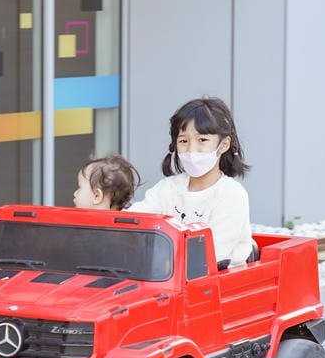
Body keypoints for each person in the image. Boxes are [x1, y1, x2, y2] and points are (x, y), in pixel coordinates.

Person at [128, 96, 254, 267]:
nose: (191, 149)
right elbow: (134, 220)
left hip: (218, 282)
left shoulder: (231, 195)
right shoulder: (168, 189)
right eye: (183, 141)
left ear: (223, 145)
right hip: (167, 275)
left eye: (202, 140)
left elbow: (213, 254)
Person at [74, 154, 140, 210]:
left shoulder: (82, 223)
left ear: (97, 196)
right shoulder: (123, 223)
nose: (75, 193)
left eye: (79, 187)